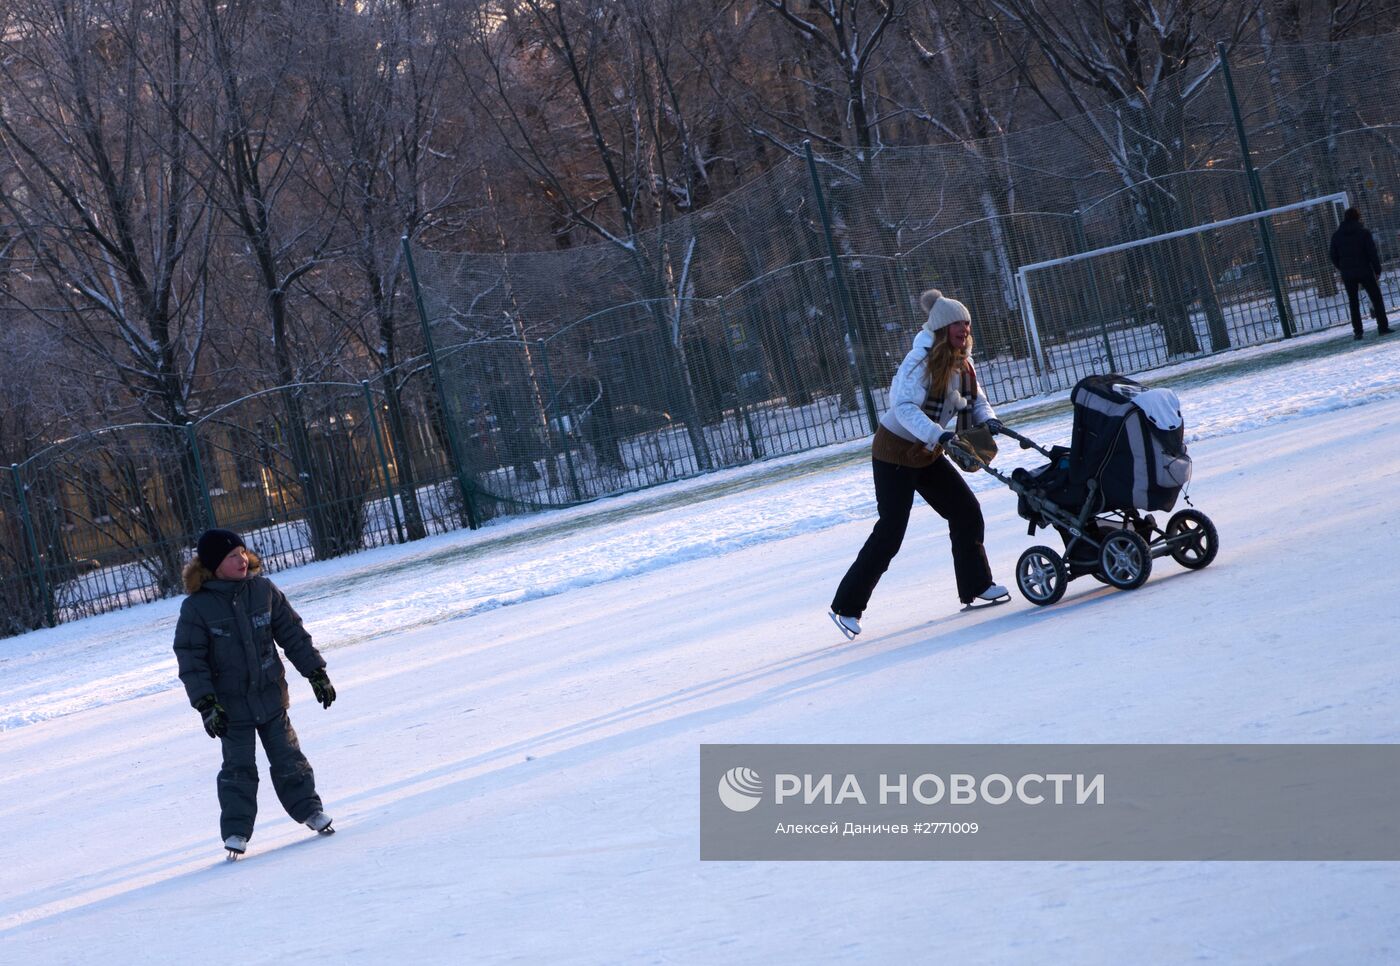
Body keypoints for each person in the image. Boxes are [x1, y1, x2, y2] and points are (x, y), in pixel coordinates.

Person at [829, 289, 1010, 640]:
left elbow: (976, 401)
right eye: (958, 323)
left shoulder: (962, 362)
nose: (965, 328)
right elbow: (904, 409)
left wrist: (989, 420)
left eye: (968, 322)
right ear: (942, 328)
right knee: (891, 532)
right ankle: (845, 607)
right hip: (895, 452)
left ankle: (977, 585)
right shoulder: (919, 363)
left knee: (965, 511)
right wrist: (939, 435)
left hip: (927, 451)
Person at [174, 528, 338, 857]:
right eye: (232, 556)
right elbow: (191, 660)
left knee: (290, 758)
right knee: (238, 770)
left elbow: (292, 634)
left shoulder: (263, 590)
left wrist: (316, 673)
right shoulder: (197, 608)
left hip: (271, 697)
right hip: (231, 710)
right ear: (214, 565)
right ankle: (236, 831)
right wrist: (207, 704)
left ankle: (310, 810)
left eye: (243, 553)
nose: (242, 560)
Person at [1329, 207, 1391, 339]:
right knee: (1376, 298)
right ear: (1358, 217)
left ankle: (1358, 331)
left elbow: (1333, 255)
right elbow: (1372, 252)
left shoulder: (1337, 236)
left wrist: (1342, 267)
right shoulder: (1364, 233)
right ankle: (1383, 327)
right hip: (1364, 270)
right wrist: (1377, 270)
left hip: (1348, 273)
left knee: (1353, 302)